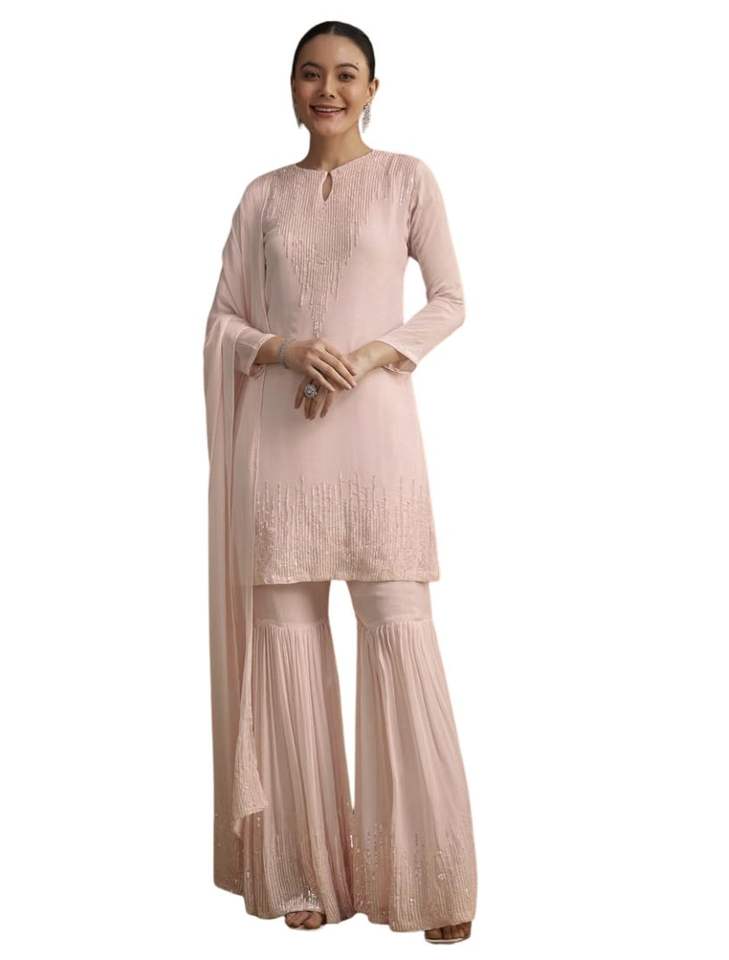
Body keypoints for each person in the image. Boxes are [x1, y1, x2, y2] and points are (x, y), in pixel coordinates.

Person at [203, 21, 478, 945]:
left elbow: (450, 300)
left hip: (375, 442)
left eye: (346, 74)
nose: (327, 89)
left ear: (372, 89)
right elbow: (223, 321)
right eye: (310, 74)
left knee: (398, 632)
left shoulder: (406, 179)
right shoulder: (262, 196)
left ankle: (430, 885)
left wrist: (365, 356)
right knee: (286, 645)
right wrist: (285, 347)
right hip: (279, 448)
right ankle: (303, 871)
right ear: (291, 87)